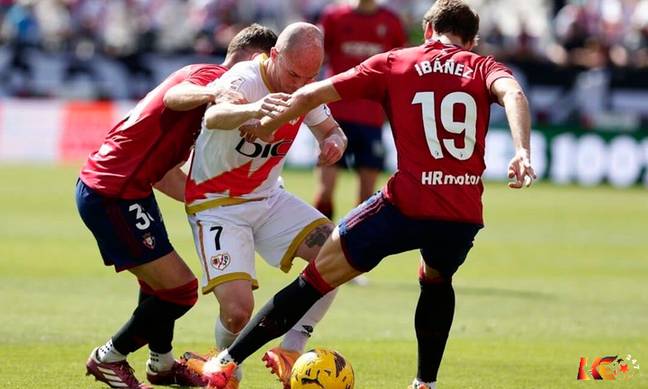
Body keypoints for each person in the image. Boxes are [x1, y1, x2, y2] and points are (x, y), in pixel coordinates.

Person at [199, 1, 537, 389]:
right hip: (460, 213)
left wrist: (268, 122)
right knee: (436, 280)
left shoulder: (397, 61)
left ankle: (226, 363)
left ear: (427, 30)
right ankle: (424, 383)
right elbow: (514, 94)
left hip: (405, 204)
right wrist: (521, 150)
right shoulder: (483, 66)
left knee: (316, 277)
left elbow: (313, 93)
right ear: (472, 41)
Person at [75, 24, 277, 389]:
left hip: (126, 189)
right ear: (258, 58)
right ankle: (109, 357)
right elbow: (176, 96)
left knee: (159, 286)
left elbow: (167, 172)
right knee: (181, 291)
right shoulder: (212, 78)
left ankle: (162, 364)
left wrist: (213, 203)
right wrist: (215, 89)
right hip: (113, 192)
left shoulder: (209, 91)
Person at [182, 22, 347, 389]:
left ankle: (292, 348)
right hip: (218, 204)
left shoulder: (305, 87)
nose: (299, 84)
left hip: (269, 198)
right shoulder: (244, 78)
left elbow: (331, 128)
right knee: (238, 311)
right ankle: (226, 365)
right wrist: (254, 109)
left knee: (340, 253)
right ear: (273, 56)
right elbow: (212, 115)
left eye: (309, 76)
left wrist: (335, 142)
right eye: (292, 73)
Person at [316, 0, 407, 287]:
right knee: (326, 190)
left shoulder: (390, 21)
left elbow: (401, 68)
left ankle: (351, 260)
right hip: (336, 115)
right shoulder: (334, 16)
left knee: (367, 195)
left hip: (371, 118)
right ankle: (318, 255)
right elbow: (317, 57)